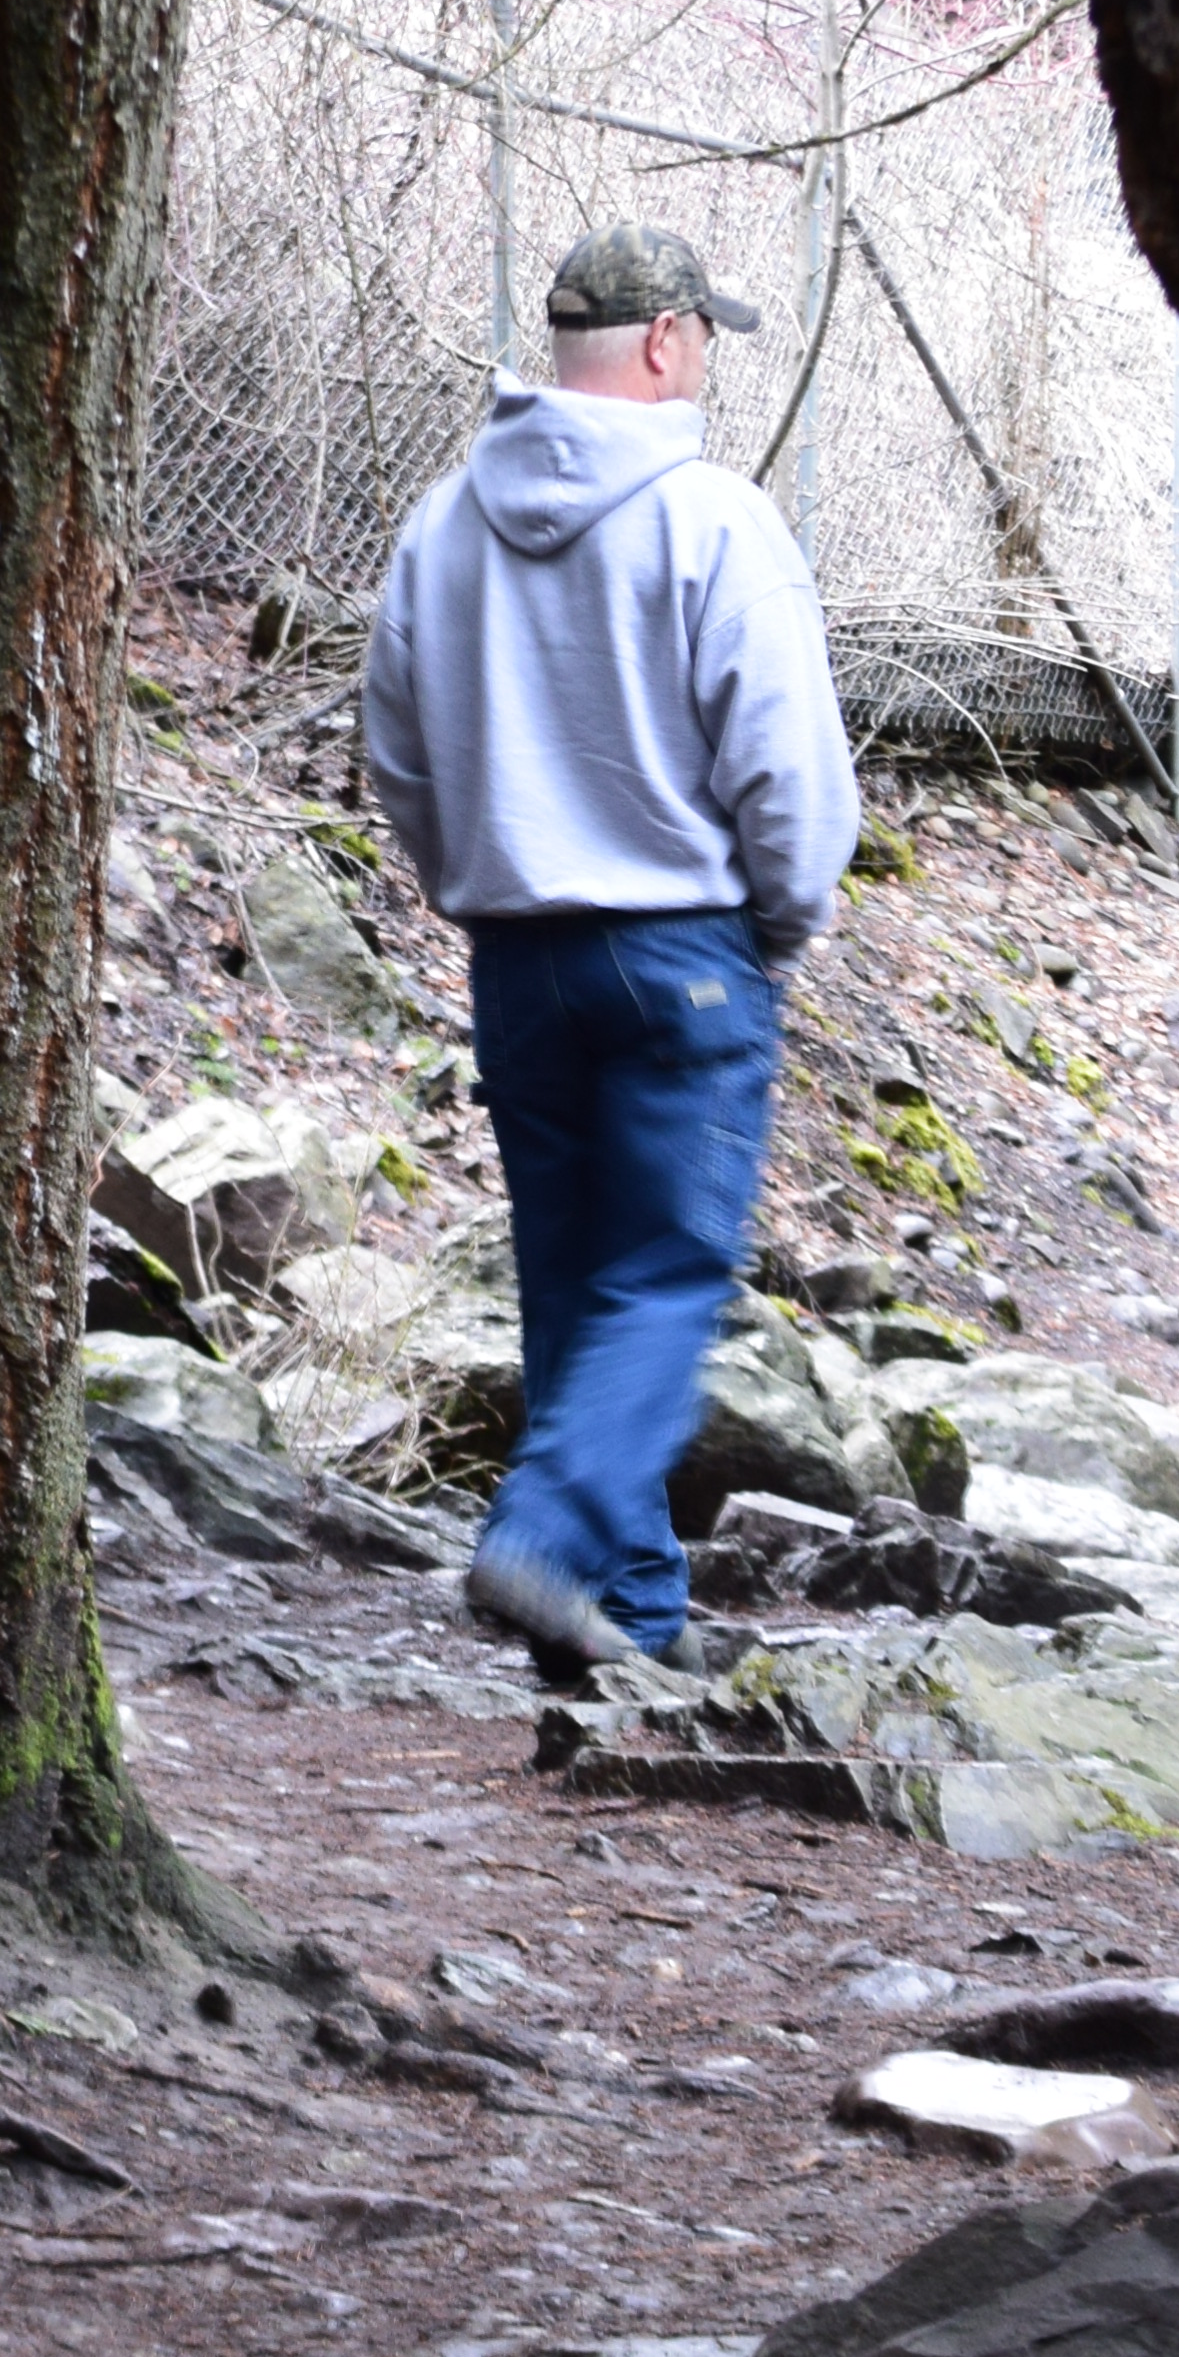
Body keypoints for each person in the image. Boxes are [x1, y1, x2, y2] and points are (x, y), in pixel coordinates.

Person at [362, 220, 860, 1669]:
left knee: (577, 1285)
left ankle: (622, 1618)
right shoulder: (716, 520)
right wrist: (783, 918)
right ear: (664, 343)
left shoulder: (442, 522)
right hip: (683, 952)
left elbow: (395, 749)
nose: (706, 362)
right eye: (703, 337)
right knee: (669, 1275)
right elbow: (789, 773)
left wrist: (473, 874)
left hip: (517, 958)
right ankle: (543, 1534)